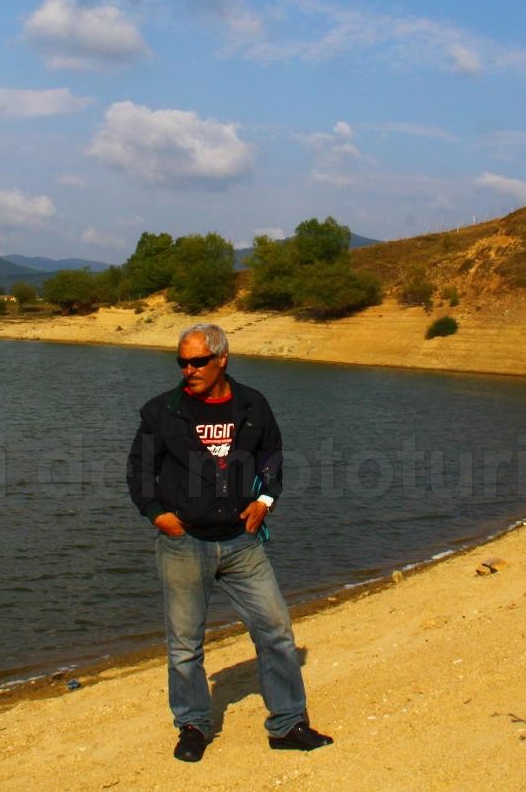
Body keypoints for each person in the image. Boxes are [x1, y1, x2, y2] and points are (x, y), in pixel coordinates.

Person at [126, 323, 333, 763]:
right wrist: (157, 514)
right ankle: (193, 726)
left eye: (197, 361)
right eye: (182, 362)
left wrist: (265, 499)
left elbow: (272, 458)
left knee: (276, 630)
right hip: (184, 544)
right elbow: (139, 473)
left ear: (222, 358)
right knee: (185, 646)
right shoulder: (160, 411)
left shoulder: (253, 405)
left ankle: (288, 724)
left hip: (244, 543)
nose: (188, 370)